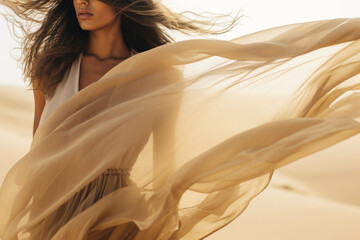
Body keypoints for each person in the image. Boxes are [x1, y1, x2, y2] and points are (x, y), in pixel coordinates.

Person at [0, 0, 360, 239]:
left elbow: (165, 162)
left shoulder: (157, 75)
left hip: (116, 210)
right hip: (55, 207)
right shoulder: (52, 67)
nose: (82, 0)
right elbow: (38, 152)